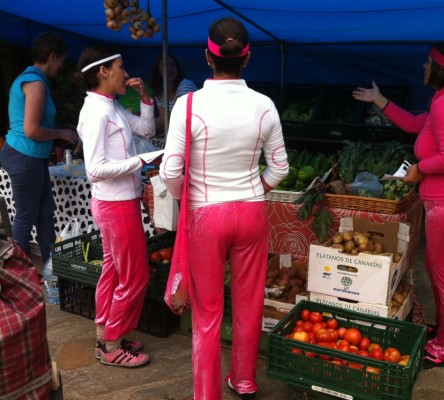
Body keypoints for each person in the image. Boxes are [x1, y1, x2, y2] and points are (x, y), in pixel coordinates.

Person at [160, 17, 289, 399]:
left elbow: (169, 171)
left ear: (207, 57)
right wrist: (252, 189)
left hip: (206, 215)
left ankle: (207, 393)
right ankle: (245, 380)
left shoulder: (188, 105)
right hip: (251, 212)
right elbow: (280, 168)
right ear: (246, 58)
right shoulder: (264, 106)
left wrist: (191, 195)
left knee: (208, 311)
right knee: (249, 303)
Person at [353, 42, 444, 369]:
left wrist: (419, 170)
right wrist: (380, 100)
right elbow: (417, 125)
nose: (423, 68)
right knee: (441, 272)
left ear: (440, 68)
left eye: (427, 63)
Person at [75, 45, 157, 368]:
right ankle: (112, 344)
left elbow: (147, 130)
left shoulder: (112, 106)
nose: (126, 73)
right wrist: (139, 162)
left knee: (113, 268)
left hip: (117, 202)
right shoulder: (95, 112)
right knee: (135, 274)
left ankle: (104, 332)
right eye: (120, 67)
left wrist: (147, 100)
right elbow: (94, 168)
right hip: (115, 204)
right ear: (103, 72)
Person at [0, 31, 79, 266]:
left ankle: (50, 270)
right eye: (62, 60)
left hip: (32, 157)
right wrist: (62, 133)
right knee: (25, 217)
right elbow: (32, 130)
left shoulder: (34, 80)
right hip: (24, 156)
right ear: (52, 56)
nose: (61, 66)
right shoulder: (35, 83)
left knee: (45, 214)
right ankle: (18, 277)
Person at [148, 53, 198, 134]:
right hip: (178, 134)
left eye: (172, 65)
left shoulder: (186, 85)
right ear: (159, 71)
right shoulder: (160, 92)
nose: (169, 69)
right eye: (164, 66)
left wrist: (143, 125)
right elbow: (164, 122)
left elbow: (177, 116)